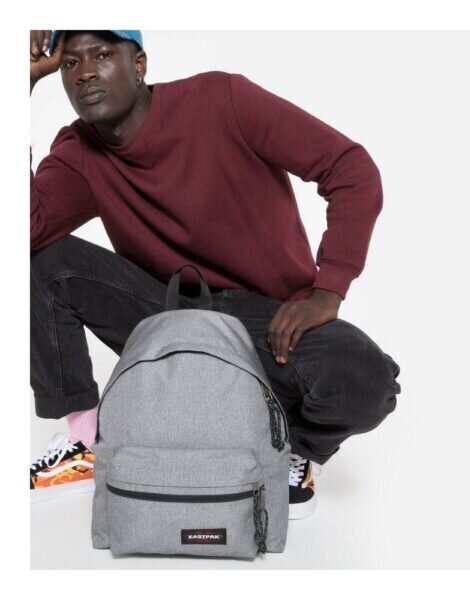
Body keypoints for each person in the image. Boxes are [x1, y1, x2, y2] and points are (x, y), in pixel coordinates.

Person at [29, 30, 401, 519]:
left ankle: (289, 451)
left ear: (139, 64)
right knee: (40, 259)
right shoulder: (79, 153)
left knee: (367, 379)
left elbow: (350, 168)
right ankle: (90, 439)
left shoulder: (222, 99)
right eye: (70, 64)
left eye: (103, 54)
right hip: (167, 317)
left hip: (268, 324)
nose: (86, 73)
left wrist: (327, 290)